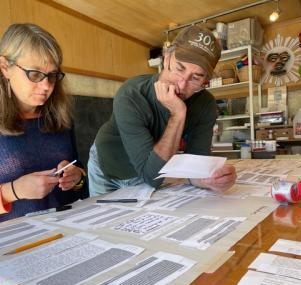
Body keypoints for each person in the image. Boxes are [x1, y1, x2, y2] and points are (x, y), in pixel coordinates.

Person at [88, 25, 236, 196]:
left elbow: (195, 166)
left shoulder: (205, 105)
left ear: (205, 82)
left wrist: (211, 180)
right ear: (166, 58)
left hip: (147, 169)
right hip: (107, 165)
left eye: (195, 78)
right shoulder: (132, 93)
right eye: (179, 68)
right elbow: (152, 176)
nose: (181, 85)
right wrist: (178, 114)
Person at [0, 23, 87, 230]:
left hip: (64, 235)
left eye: (52, 75)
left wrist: (77, 178)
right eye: (35, 74)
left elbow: (80, 183)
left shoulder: (59, 118)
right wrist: (13, 191)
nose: (47, 86)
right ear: (5, 67)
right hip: (4, 250)